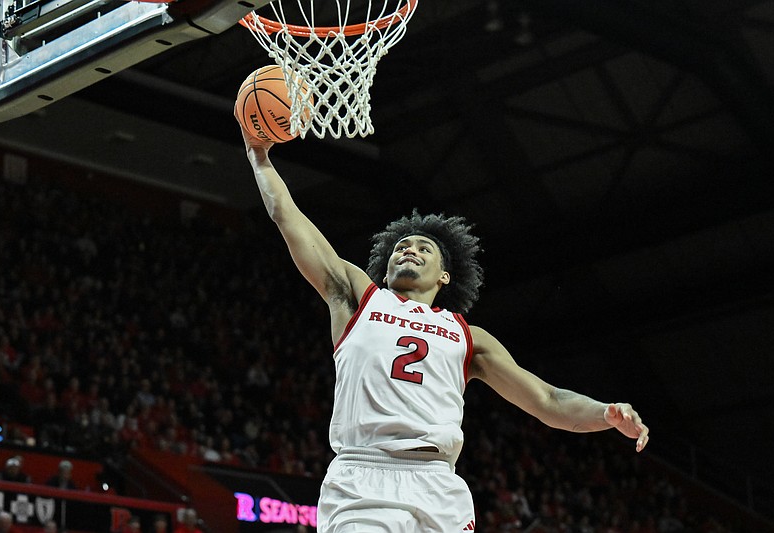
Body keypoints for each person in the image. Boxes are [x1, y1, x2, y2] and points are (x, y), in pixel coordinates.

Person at [235, 111, 650, 532]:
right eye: (401, 247)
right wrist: (260, 158)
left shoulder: (470, 337)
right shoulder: (358, 297)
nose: (408, 250)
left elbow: (548, 401)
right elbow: (289, 219)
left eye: (422, 248)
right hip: (364, 474)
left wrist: (606, 414)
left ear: (444, 275)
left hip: (437, 483)